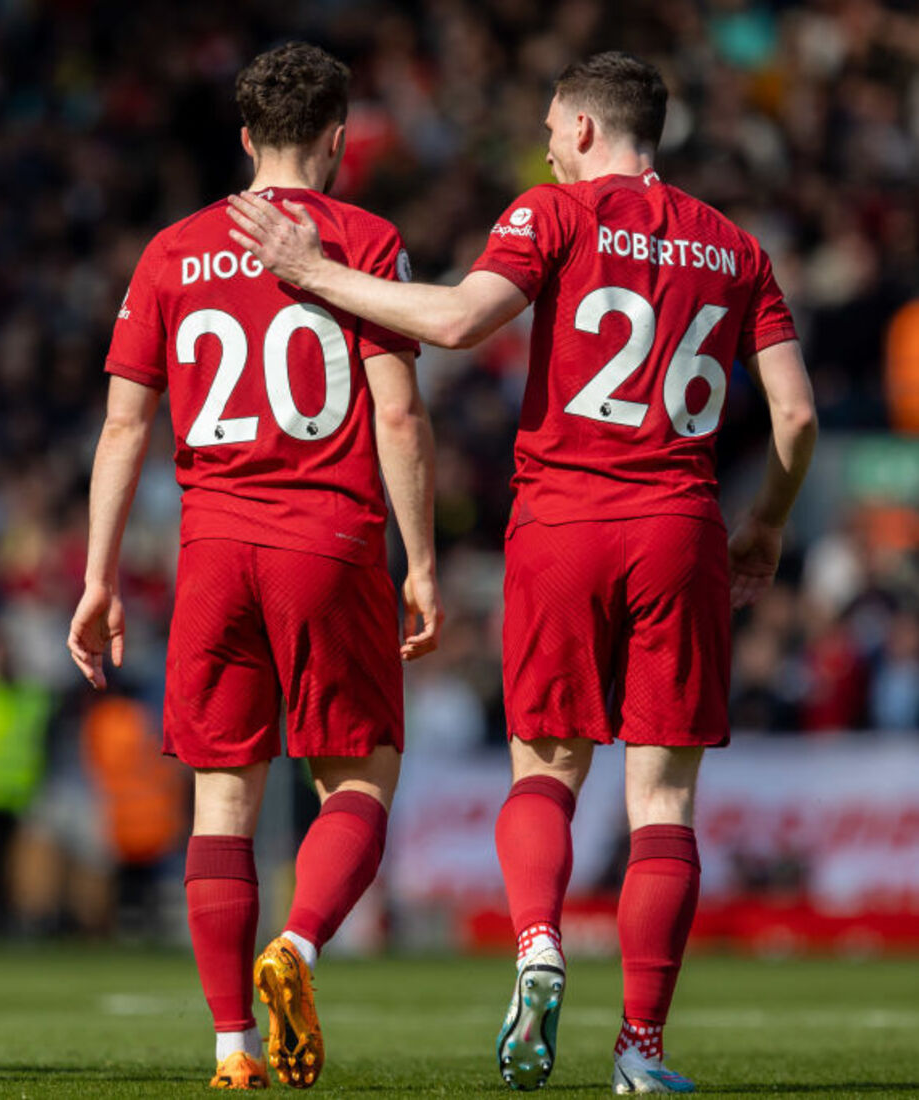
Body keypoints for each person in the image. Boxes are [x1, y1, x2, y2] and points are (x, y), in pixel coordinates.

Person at [227, 50, 817, 1095]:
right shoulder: (735, 247)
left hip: (563, 521)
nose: (544, 148)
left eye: (549, 129)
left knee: (543, 769)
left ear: (583, 128)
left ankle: (539, 941)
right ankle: (640, 1050)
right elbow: (797, 415)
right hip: (680, 525)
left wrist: (311, 272)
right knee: (663, 800)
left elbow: (457, 323)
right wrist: (764, 522)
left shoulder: (554, 212)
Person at [67, 42, 441, 1092]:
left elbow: (122, 427)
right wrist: (420, 560)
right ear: (337, 137)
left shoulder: (171, 250)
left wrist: (97, 578)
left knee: (221, 805)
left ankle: (231, 1048)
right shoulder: (364, 240)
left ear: (244, 137)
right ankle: (301, 943)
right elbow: (398, 416)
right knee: (359, 774)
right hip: (327, 541)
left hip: (211, 551)